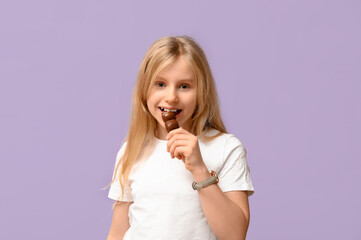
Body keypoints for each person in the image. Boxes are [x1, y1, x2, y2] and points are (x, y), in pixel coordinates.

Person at [106, 35, 255, 240]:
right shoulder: (131, 150)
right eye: (160, 84)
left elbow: (235, 234)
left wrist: (200, 170)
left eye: (184, 86)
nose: (171, 97)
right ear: (144, 91)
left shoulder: (226, 148)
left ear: (201, 92)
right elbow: (117, 232)